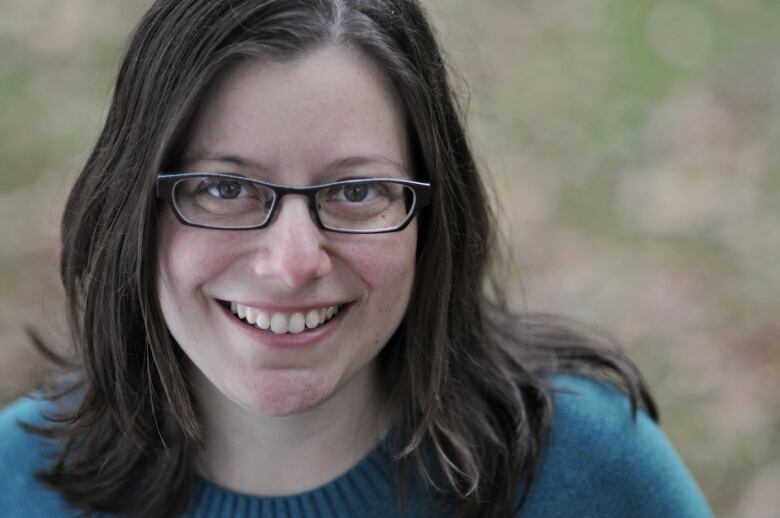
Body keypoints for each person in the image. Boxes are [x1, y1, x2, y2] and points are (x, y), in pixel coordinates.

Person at [0, 1, 713, 516]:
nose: (293, 262)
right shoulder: (18, 476)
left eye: (357, 191)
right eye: (224, 188)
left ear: (433, 217)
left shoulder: (587, 473)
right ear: (134, 207)